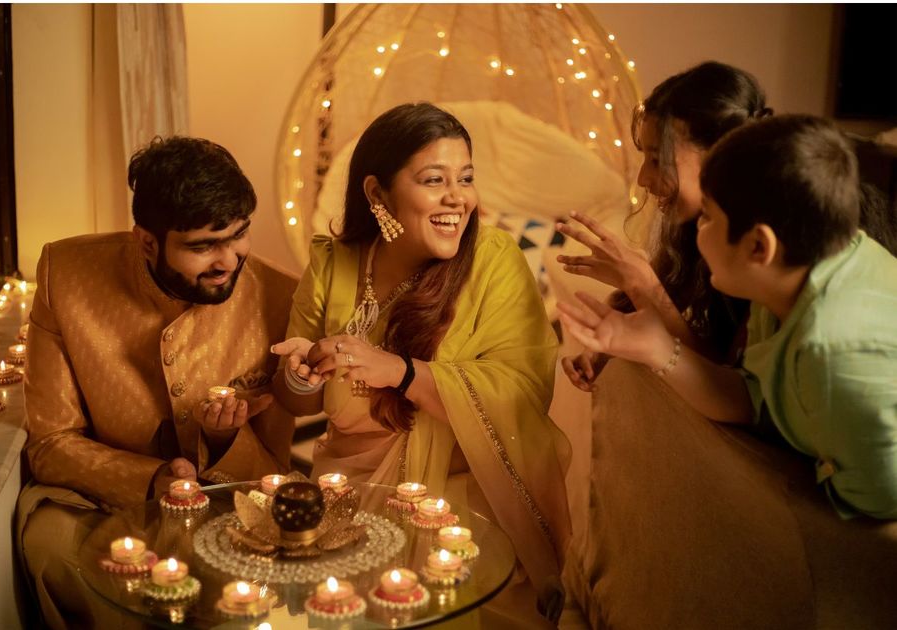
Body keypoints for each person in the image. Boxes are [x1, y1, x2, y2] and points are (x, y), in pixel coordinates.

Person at [271, 102, 571, 627]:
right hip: (343, 495)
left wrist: (401, 372)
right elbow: (299, 399)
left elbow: (522, 391)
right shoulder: (332, 262)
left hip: (460, 505)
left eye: (467, 178)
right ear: (376, 193)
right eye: (434, 179)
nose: (458, 197)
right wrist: (298, 375)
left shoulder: (494, 261)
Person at [18, 136, 299, 628]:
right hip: (98, 502)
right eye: (203, 246)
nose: (228, 260)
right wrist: (152, 481)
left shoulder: (278, 296)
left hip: (232, 502)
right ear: (147, 241)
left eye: (237, 235)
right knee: (51, 546)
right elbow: (51, 442)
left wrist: (224, 438)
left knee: (237, 587)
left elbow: (272, 470)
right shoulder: (67, 274)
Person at [559, 114, 897, 519]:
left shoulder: (836, 352)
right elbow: (753, 398)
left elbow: (877, 511)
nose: (696, 230)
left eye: (707, 217)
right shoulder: (784, 282)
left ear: (759, 246)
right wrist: (657, 346)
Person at [557, 61, 771, 392]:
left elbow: (730, 385)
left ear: (720, 155)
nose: (643, 179)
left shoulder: (764, 247)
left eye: (658, 160)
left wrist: (641, 284)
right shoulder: (694, 231)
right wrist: (607, 342)